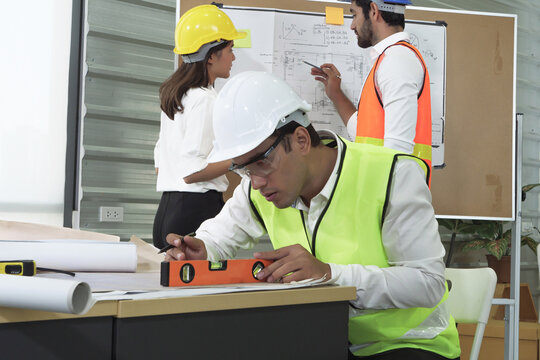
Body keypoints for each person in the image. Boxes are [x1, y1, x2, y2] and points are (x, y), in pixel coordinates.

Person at [164, 71, 460, 360]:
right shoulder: (258, 188)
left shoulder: (392, 175)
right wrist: (201, 250)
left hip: (412, 345)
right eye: (242, 169)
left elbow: (429, 282)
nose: (255, 182)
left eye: (261, 164)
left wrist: (331, 275)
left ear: (301, 140)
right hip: (325, 338)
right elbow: (219, 236)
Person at [152, 5, 246, 248]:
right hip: (196, 212)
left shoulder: (177, 96)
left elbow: (161, 168)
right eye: (230, 49)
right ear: (211, 56)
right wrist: (240, 160)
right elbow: (192, 172)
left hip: (167, 212)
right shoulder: (205, 99)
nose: (234, 57)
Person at [310, 0, 433, 174]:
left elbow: (397, 152)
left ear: (374, 11)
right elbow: (364, 132)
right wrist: (336, 94)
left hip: (390, 198)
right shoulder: (389, 59)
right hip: (380, 194)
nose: (352, 25)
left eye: (354, 14)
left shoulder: (397, 60)